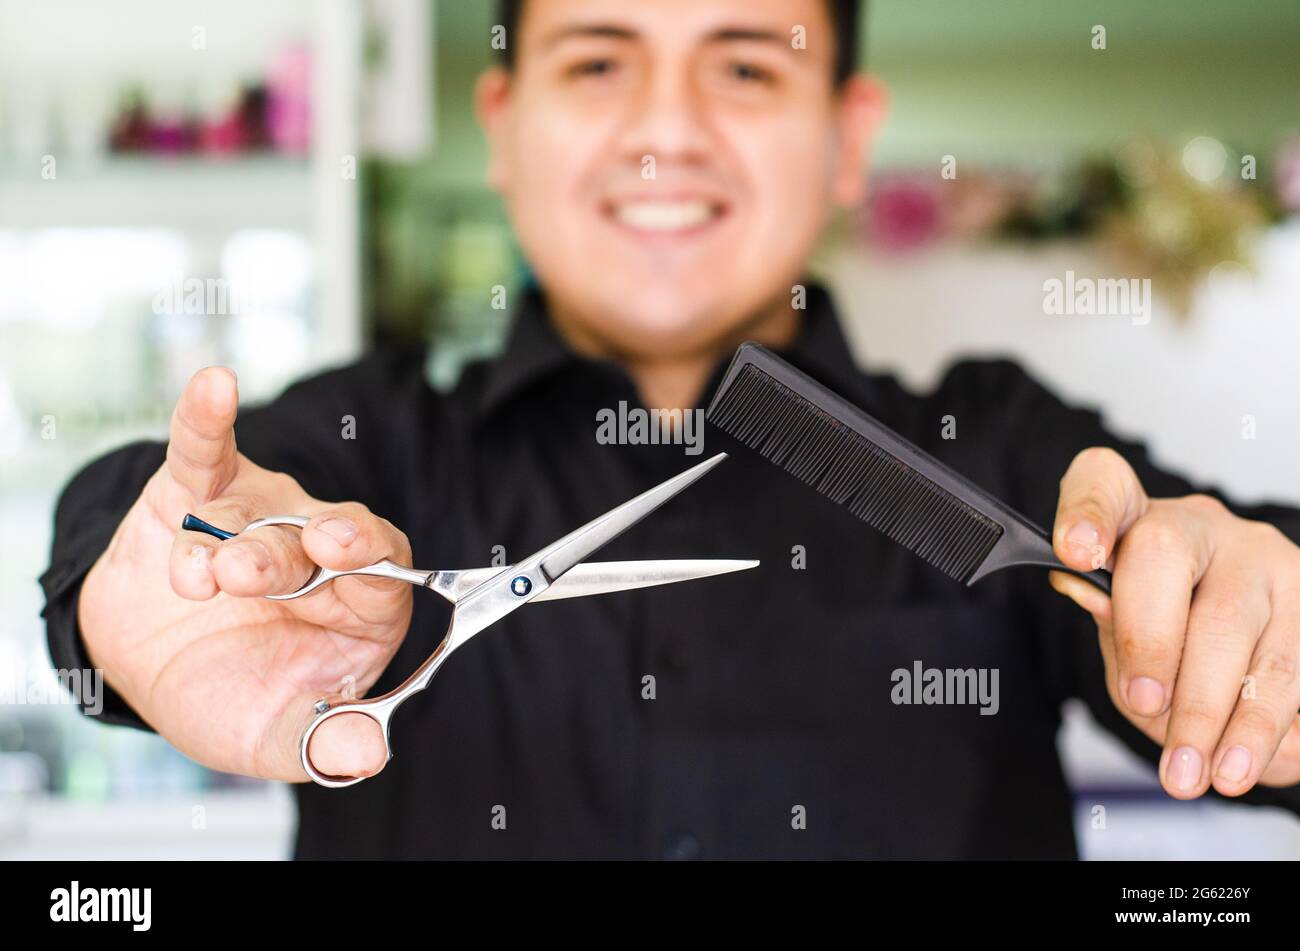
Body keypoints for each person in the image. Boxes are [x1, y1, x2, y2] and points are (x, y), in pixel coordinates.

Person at [41, 0, 1300, 859]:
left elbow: (1240, 607)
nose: (663, 128)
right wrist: (148, 582)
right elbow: (159, 505)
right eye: (598, 62)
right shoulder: (367, 446)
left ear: (845, 136)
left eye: (745, 66)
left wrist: (1264, 630)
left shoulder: (1007, 455)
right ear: (501, 124)